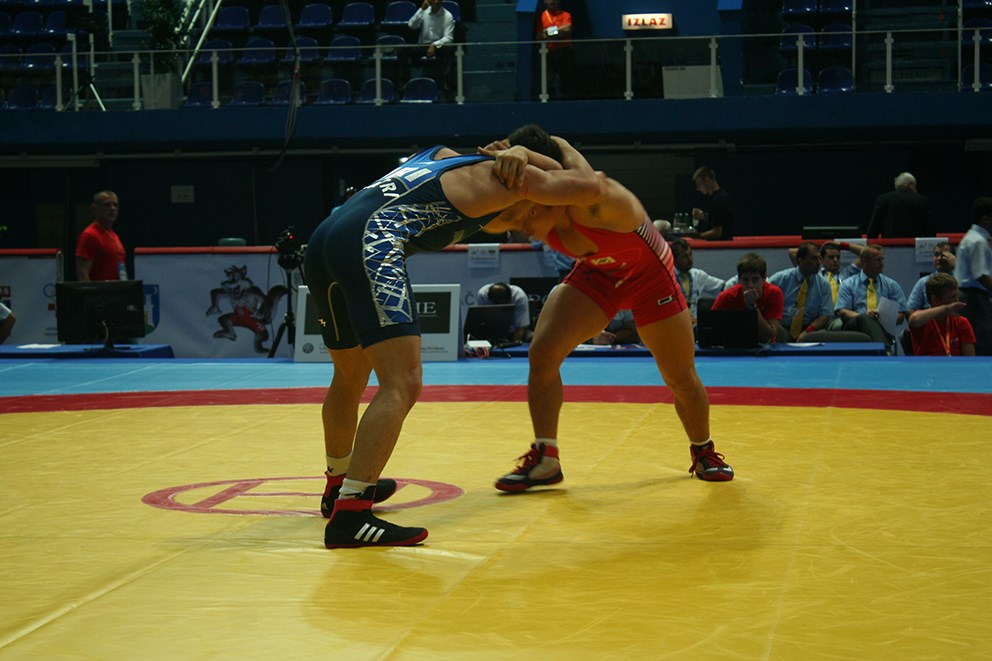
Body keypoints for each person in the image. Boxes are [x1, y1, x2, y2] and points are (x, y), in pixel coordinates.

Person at [305, 142, 604, 548]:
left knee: (349, 376)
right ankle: (351, 515)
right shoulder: (516, 180)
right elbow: (587, 185)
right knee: (402, 380)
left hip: (325, 237)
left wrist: (519, 149)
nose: (532, 225)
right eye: (546, 213)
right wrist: (548, 148)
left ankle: (338, 486)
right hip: (370, 241)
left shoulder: (445, 157)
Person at [482, 125, 733, 492]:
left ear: (549, 184)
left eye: (527, 208)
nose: (521, 223)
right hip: (598, 274)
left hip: (650, 278)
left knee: (680, 377)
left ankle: (703, 450)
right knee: (542, 353)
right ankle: (546, 458)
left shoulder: (601, 200)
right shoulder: (535, 202)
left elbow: (581, 179)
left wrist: (526, 154)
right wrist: (484, 165)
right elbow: (488, 218)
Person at [835, 244, 909, 347]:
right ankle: (883, 350)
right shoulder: (848, 284)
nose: (882, 263)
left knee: (875, 324)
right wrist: (865, 316)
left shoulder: (892, 285)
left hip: (883, 327)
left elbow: (900, 316)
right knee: (865, 319)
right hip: (855, 329)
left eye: (882, 259)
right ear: (864, 262)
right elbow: (842, 311)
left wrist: (882, 318)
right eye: (877, 260)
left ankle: (879, 347)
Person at [712, 252, 784, 343]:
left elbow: (769, 336)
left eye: (755, 280)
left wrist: (752, 307)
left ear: (764, 278)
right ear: (739, 279)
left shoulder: (774, 293)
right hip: (733, 346)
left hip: (765, 347)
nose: (750, 285)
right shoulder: (727, 297)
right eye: (745, 280)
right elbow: (710, 328)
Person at [768, 242, 834, 341]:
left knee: (821, 335)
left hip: (809, 328)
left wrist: (807, 331)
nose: (819, 262)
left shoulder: (823, 284)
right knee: (778, 333)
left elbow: (825, 315)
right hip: (783, 326)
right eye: (814, 258)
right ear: (801, 260)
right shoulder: (780, 279)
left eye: (819, 258)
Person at [954, 197, 992, 355]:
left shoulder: (972, 238)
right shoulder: (978, 241)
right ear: (985, 219)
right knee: (982, 342)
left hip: (969, 297)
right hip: (974, 299)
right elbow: (981, 275)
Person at [908, 273, 976, 356]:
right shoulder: (923, 321)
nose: (956, 301)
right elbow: (913, 319)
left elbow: (969, 360)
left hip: (954, 364)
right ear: (935, 300)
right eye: (952, 297)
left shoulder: (962, 323)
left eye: (956, 296)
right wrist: (945, 309)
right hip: (927, 364)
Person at [669, 238, 726, 325]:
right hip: (675, 324)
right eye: (684, 256)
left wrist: (739, 279)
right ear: (674, 259)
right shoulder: (668, 278)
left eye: (690, 254)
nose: (690, 259)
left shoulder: (698, 275)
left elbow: (724, 287)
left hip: (696, 324)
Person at [75, 190, 126, 281]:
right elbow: (82, 272)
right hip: (100, 289)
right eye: (107, 205)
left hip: (117, 288)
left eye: (115, 205)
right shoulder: (89, 235)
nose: (112, 208)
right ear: (95, 209)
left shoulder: (114, 236)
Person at [407, 0, 455, 92]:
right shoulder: (424, 12)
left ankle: (445, 81)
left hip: (438, 46)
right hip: (423, 45)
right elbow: (412, 25)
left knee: (448, 49)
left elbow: (449, 38)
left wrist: (434, 45)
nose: (436, 2)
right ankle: (404, 81)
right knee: (402, 50)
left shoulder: (448, 16)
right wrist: (421, 9)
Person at [866, 172, 931, 239]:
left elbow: (875, 225)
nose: (916, 190)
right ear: (910, 184)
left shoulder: (883, 199)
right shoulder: (922, 200)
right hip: (914, 243)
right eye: (915, 186)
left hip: (889, 243)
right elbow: (928, 227)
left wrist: (871, 242)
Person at [537, 0, 574, 99]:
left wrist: (550, 32)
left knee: (566, 78)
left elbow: (568, 29)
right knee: (550, 79)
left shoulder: (565, 15)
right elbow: (540, 35)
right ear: (545, 1)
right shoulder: (542, 16)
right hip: (549, 53)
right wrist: (560, 32)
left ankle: (568, 98)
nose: (552, 2)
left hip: (565, 51)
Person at [907, 241, 956, 312]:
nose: (939, 258)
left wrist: (956, 265)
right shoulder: (924, 282)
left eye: (944, 256)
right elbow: (910, 309)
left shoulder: (961, 281)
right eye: (936, 255)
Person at [690, 166, 734, 240]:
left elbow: (717, 233)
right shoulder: (723, 197)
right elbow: (720, 220)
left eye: (699, 185)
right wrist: (703, 215)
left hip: (720, 245)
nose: (698, 189)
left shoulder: (717, 201)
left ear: (707, 180)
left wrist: (696, 237)